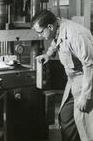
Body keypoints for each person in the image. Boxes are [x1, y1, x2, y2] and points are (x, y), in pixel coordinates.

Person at [32, 9, 93, 141]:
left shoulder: (76, 35)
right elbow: (56, 41)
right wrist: (48, 54)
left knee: (85, 125)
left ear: (50, 26)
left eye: (40, 32)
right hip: (74, 80)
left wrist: (86, 96)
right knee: (65, 117)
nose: (39, 36)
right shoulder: (59, 26)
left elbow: (90, 65)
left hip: (86, 78)